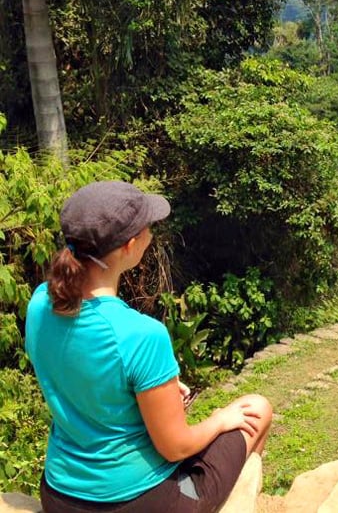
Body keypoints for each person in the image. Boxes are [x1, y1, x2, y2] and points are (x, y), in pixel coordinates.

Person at [25, 181, 273, 513]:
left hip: (60, 496)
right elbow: (175, 447)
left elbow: (85, 376)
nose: (151, 234)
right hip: (140, 502)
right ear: (130, 245)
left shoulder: (41, 302)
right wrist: (220, 418)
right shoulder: (141, 334)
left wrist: (155, 391)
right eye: (148, 228)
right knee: (257, 409)